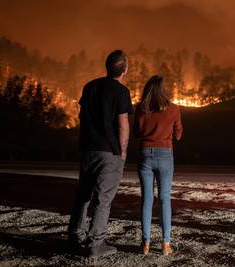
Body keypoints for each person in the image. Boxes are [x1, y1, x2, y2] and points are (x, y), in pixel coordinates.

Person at [68, 50, 133, 258]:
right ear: (124, 69)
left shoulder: (90, 87)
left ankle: (74, 237)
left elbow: (81, 115)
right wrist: (122, 152)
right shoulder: (121, 92)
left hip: (88, 149)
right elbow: (123, 124)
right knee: (103, 199)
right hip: (109, 152)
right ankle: (96, 244)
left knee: (83, 196)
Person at [133, 75, 183, 256]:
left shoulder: (140, 108)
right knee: (164, 199)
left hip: (145, 154)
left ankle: (145, 244)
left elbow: (137, 134)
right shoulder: (174, 109)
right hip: (165, 155)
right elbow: (178, 135)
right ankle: (165, 244)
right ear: (164, 90)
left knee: (146, 200)